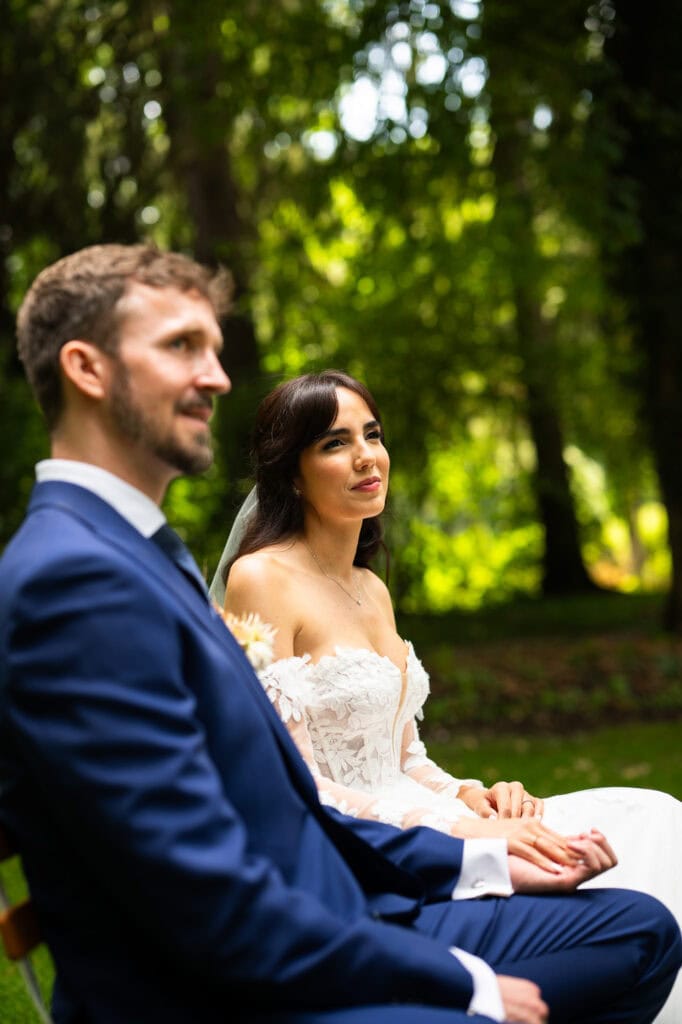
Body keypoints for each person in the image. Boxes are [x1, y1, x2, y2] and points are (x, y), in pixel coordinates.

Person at [0, 251, 679, 1024]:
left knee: (641, 927)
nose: (218, 377)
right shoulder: (74, 580)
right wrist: (460, 984)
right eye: (181, 346)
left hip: (333, 900)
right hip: (235, 985)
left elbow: (281, 800)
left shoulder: (144, 556)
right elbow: (202, 886)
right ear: (86, 369)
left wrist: (482, 855)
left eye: (214, 350)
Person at [216, 369, 682, 1022]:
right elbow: (296, 782)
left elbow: (405, 758)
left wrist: (476, 794)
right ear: (291, 473)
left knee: (656, 819)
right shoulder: (260, 580)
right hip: (362, 859)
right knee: (632, 900)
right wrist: (462, 830)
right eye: (333, 443)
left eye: (371, 435)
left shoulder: (370, 588)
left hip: (438, 821)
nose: (364, 456)